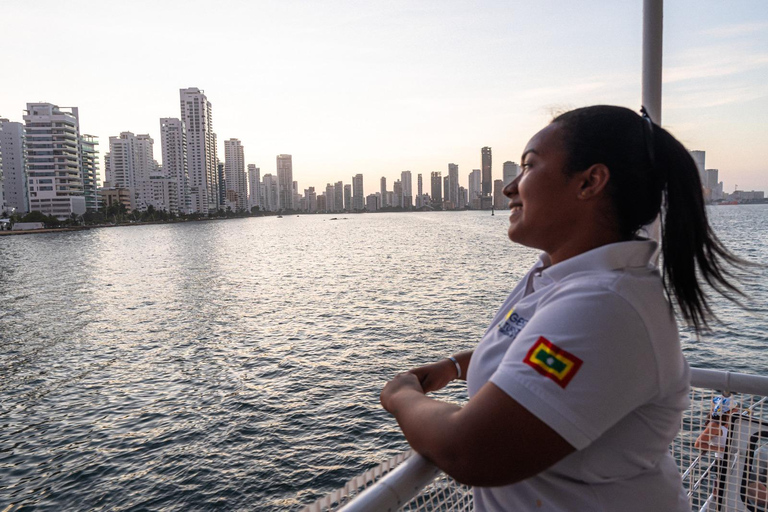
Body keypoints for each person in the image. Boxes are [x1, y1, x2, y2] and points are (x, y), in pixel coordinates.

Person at [380, 105, 748, 511]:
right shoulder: (556, 275)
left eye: (529, 166)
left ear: (590, 181)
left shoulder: (606, 306)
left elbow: (472, 452)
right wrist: (456, 365)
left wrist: (400, 395)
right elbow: (539, 352)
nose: (510, 187)